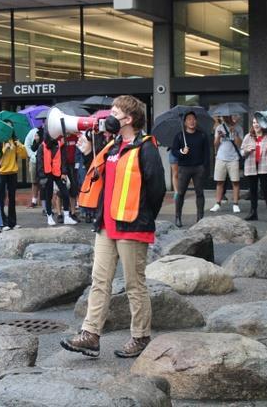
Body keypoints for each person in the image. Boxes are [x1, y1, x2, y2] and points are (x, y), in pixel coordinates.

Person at [60, 95, 165, 359]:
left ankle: (141, 337)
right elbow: (99, 179)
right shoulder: (112, 145)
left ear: (129, 119)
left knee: (134, 284)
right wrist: (88, 155)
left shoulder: (146, 148)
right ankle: (90, 334)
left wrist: (143, 216)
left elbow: (157, 189)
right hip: (106, 224)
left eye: (115, 113)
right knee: (99, 281)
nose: (109, 116)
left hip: (132, 226)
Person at [171, 111, 209, 226]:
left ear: (196, 121)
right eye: (189, 119)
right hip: (184, 168)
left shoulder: (202, 135)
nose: (192, 121)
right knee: (180, 193)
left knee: (200, 193)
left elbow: (207, 153)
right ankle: (178, 217)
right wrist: (182, 151)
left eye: (193, 119)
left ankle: (200, 218)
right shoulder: (179, 136)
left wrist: (204, 167)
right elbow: (174, 151)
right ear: (185, 122)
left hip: (198, 168)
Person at [241, 117, 267, 222]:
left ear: (262, 124)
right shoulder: (248, 136)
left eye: (257, 122)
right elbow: (242, 152)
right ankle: (253, 213)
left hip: (264, 167)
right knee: (253, 191)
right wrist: (246, 151)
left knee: (266, 191)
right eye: (254, 123)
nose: (255, 125)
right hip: (251, 167)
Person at [37, 133, 77, 226]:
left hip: (57, 172)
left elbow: (63, 160)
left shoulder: (59, 145)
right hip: (47, 173)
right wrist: (42, 176)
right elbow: (40, 162)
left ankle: (66, 216)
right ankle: (49, 216)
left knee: (65, 193)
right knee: (49, 195)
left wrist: (64, 172)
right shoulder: (42, 146)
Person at [210, 115, 243, 213]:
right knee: (220, 182)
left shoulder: (238, 128)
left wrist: (234, 133)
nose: (225, 118)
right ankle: (217, 203)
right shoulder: (219, 128)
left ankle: (235, 204)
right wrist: (218, 137)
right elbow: (215, 144)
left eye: (227, 116)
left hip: (233, 158)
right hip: (221, 157)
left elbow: (240, 144)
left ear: (231, 116)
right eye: (224, 117)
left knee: (235, 181)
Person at [0, 121, 28, 230]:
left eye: (11, 127)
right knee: (1, 198)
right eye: (7, 127)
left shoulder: (14, 141)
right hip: (1, 172)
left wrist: (20, 146)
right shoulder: (0, 140)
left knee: (12, 198)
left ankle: (12, 222)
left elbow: (24, 156)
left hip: (12, 172)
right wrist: (4, 149)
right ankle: (2, 223)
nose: (9, 129)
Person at [24, 126, 40, 208]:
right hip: (34, 160)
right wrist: (32, 155)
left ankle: (46, 202)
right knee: (34, 180)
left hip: (44, 160)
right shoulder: (32, 132)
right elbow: (26, 144)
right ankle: (34, 200)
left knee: (45, 181)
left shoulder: (48, 131)